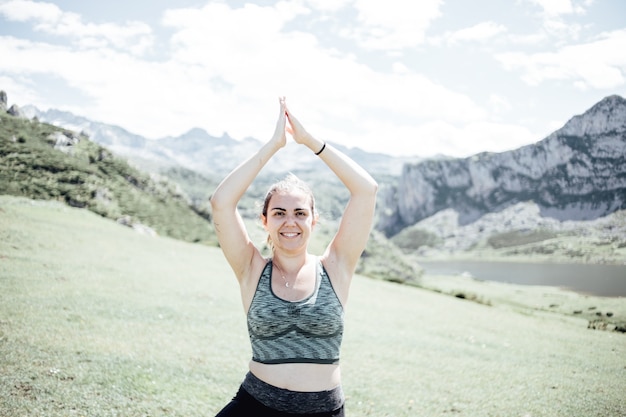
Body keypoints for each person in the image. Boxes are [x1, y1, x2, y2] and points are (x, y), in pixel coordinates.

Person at [210, 97, 378, 416]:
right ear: (265, 221)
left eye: (300, 213)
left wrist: (310, 141)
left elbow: (366, 190)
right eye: (279, 213)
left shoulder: (336, 266)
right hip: (254, 406)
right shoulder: (250, 269)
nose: (290, 221)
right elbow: (221, 202)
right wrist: (274, 145)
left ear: (313, 220)